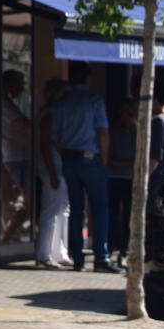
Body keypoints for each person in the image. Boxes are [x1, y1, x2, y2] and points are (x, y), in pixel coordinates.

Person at [50, 61, 118, 273]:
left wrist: (66, 153)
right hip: (90, 158)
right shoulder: (94, 101)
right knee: (99, 207)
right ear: (88, 79)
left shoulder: (62, 103)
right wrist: (104, 161)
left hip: (70, 159)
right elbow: (103, 132)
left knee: (76, 209)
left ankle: (77, 257)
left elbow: (54, 137)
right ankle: (101, 257)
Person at [35, 78, 72, 269]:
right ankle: (44, 254)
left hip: (59, 168)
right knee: (51, 210)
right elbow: (45, 144)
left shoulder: (56, 113)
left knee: (62, 210)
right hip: (53, 169)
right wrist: (52, 172)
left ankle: (59, 251)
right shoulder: (49, 114)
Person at [0, 69, 31, 243]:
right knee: (28, 203)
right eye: (19, 83)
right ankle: (7, 235)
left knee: (16, 199)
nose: (22, 87)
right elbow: (25, 124)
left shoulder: (7, 103)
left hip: (14, 154)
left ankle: (10, 234)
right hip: (16, 155)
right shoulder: (5, 105)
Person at [107, 97, 137, 268]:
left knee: (128, 217)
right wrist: (118, 163)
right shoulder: (114, 131)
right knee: (112, 215)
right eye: (125, 113)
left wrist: (121, 163)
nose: (127, 117)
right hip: (114, 178)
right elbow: (109, 155)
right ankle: (111, 248)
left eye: (130, 113)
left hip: (130, 178)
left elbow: (138, 158)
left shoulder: (138, 132)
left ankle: (125, 251)